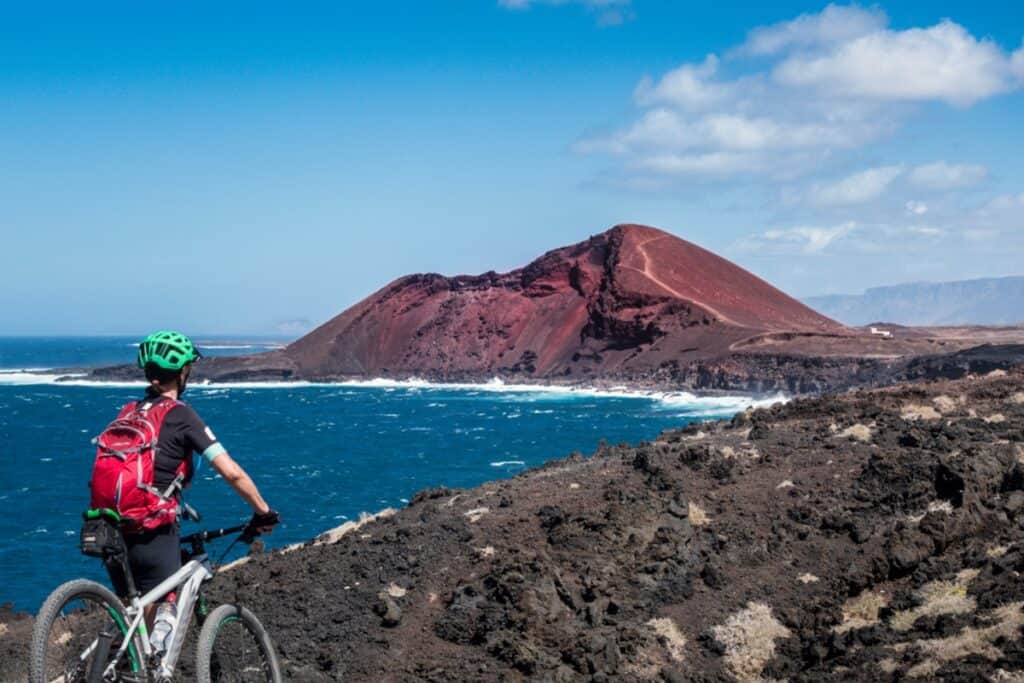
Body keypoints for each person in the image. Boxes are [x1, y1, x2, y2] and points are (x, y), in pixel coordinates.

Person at [104, 330, 279, 649]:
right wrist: (263, 511)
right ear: (182, 373)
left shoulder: (128, 411)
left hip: (108, 528)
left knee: (133, 617)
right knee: (165, 606)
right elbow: (232, 472)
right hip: (151, 526)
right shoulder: (180, 414)